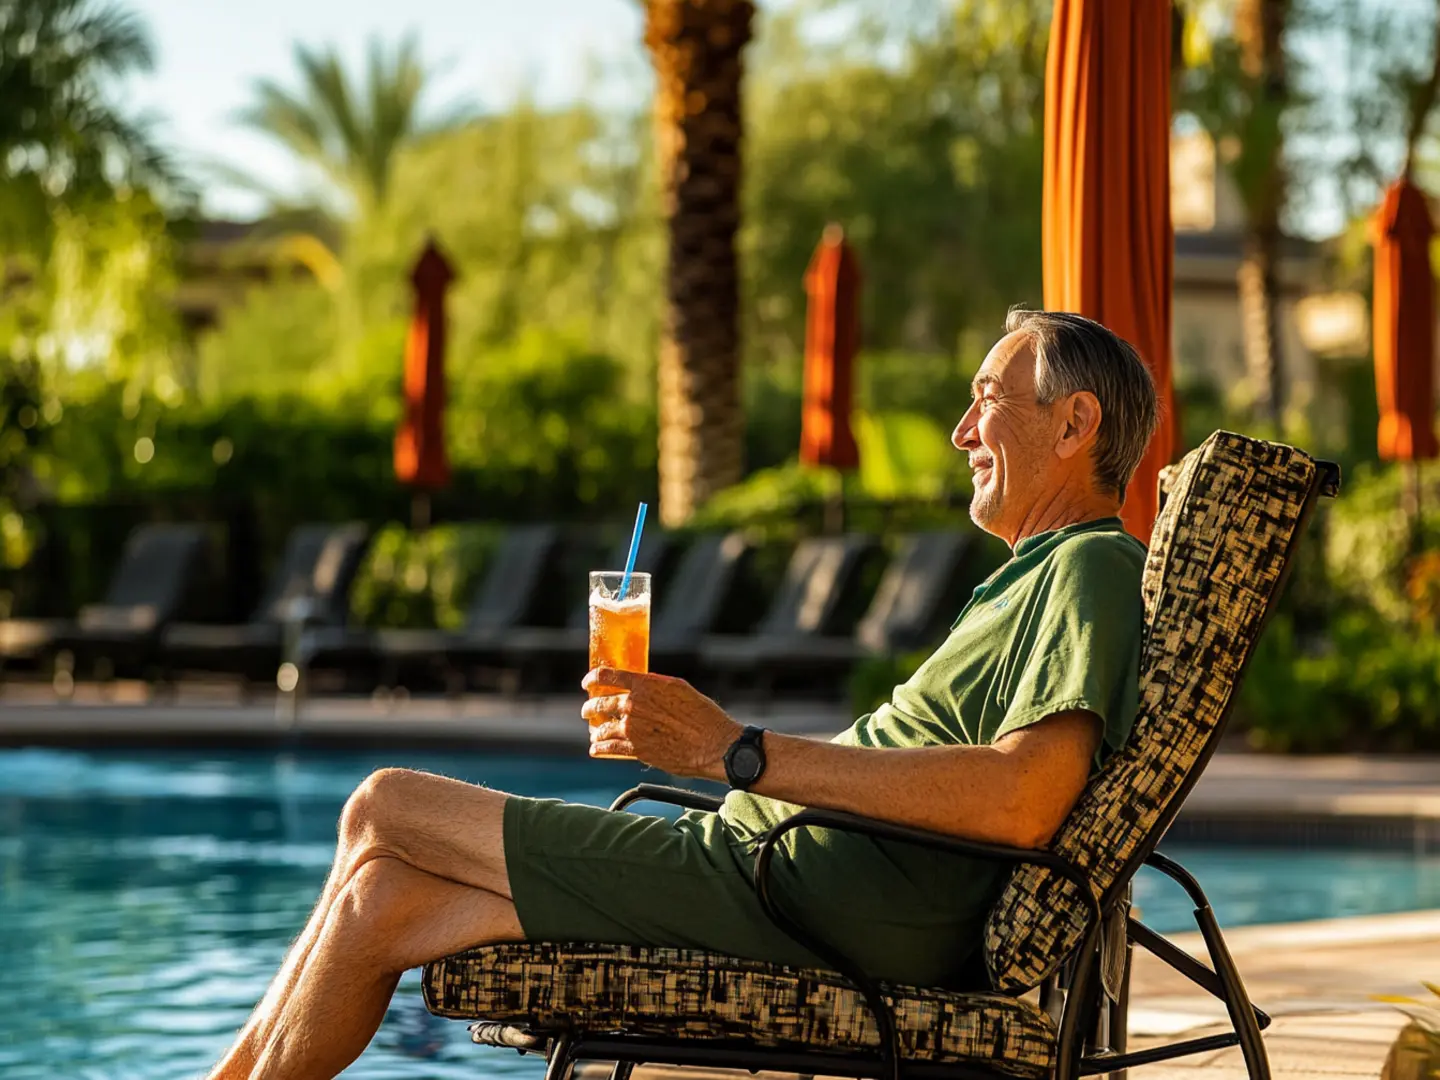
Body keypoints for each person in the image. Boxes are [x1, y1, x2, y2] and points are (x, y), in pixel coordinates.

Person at [207, 308, 1161, 1080]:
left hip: (802, 904)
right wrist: (735, 766)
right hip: (776, 879)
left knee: (384, 805)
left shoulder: (1090, 568)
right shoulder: (1030, 579)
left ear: (1074, 424)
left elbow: (1023, 799)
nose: (961, 431)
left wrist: (735, 753)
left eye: (987, 399)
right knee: (384, 899)